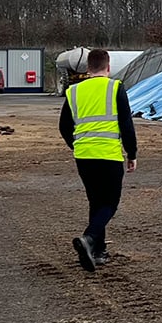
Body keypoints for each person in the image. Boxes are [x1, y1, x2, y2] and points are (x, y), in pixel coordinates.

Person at [59, 48, 137, 271]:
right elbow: (126, 125)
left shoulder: (73, 91)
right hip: (109, 154)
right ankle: (90, 238)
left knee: (96, 202)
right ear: (108, 66)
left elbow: (64, 127)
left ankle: (99, 251)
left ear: (87, 68)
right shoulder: (115, 87)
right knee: (110, 203)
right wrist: (132, 153)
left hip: (84, 156)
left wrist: (77, 145)